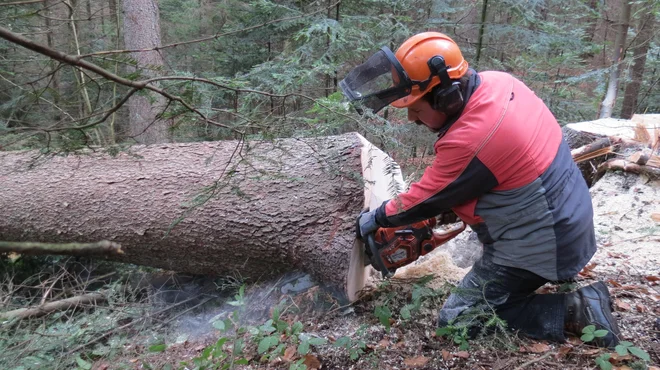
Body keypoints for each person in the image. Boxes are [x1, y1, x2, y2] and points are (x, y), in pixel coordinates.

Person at [340, 32, 621, 347]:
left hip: (549, 242)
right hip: (573, 217)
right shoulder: (499, 83)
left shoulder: (476, 138)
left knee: (457, 319)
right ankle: (550, 274)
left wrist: (377, 217)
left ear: (448, 97)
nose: (411, 117)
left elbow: (423, 200)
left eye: (417, 109)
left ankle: (577, 309)